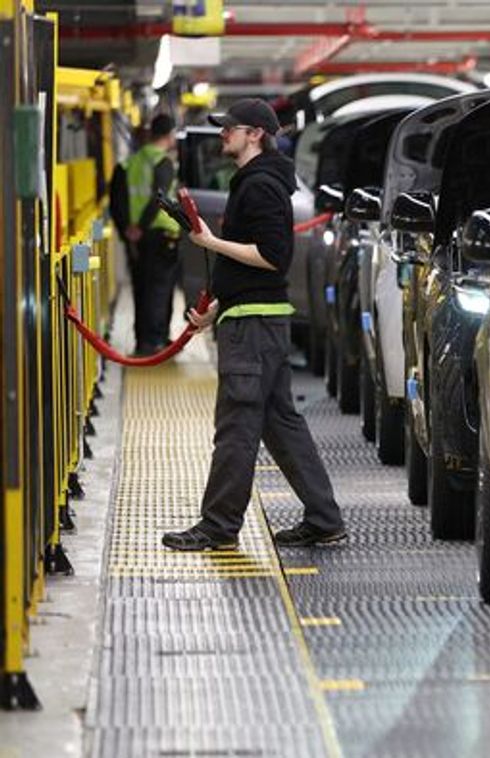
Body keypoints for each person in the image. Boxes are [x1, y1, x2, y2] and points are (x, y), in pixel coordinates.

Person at [162, 98, 347, 551]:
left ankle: (218, 526)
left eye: (231, 128)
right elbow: (250, 266)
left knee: (237, 426)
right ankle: (324, 519)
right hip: (257, 318)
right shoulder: (257, 181)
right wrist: (216, 308)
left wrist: (210, 242)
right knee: (280, 424)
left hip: (253, 329)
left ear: (255, 134)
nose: (223, 133)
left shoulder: (260, 185)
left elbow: (272, 256)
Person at [120, 113, 181, 356]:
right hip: (161, 233)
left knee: (142, 287)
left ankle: (144, 340)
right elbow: (159, 199)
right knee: (160, 289)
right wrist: (141, 226)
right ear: (170, 134)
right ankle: (155, 341)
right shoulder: (163, 162)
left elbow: (120, 197)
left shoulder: (132, 161)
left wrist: (129, 228)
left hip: (138, 237)